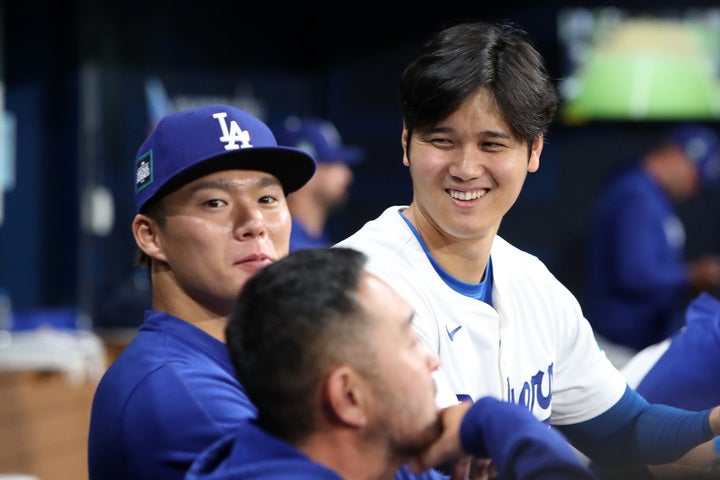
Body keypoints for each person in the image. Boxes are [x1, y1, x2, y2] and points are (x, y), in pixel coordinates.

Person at [334, 20, 720, 476]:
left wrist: (710, 421)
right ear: (406, 143)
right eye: (442, 140)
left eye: (491, 144)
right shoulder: (358, 285)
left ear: (534, 151)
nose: (465, 167)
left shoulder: (533, 283)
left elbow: (625, 428)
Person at [186, 247, 597, 480]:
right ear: (348, 397)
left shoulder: (372, 457)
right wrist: (496, 420)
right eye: (408, 340)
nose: (431, 360)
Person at [87, 104, 316, 480]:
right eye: (215, 203)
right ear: (151, 236)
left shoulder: (260, 363)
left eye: (268, 199)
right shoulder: (174, 390)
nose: (254, 223)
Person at [586, 123, 720, 354]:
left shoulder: (653, 195)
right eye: (695, 175)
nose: (693, 188)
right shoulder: (637, 194)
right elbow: (635, 275)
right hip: (618, 347)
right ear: (675, 154)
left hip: (635, 343)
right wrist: (694, 275)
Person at [273, 116, 364, 251]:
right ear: (304, 173)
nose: (347, 175)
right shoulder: (284, 247)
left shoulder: (316, 238)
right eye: (333, 164)